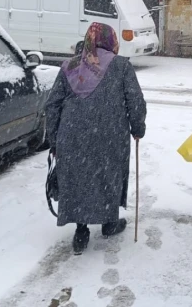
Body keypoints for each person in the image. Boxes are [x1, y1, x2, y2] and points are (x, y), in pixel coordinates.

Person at [45, 22, 147, 255]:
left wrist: (54, 139)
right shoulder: (121, 66)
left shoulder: (69, 66)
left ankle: (81, 231)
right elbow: (135, 100)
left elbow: (52, 105)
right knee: (107, 174)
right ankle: (108, 222)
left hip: (72, 134)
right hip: (109, 134)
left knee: (80, 177)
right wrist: (138, 127)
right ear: (110, 41)